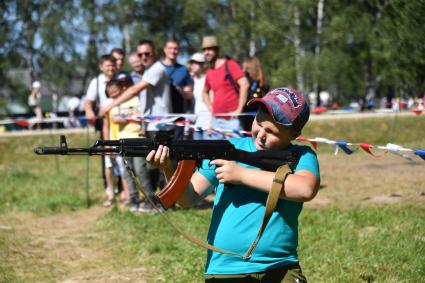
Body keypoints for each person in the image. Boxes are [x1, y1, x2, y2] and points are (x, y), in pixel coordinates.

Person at [147, 87, 320, 282]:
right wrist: (169, 168)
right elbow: (188, 198)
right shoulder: (229, 148)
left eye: (271, 131)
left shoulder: (302, 155)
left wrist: (241, 174)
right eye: (259, 124)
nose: (261, 134)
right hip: (226, 269)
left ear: (294, 134)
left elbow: (305, 189)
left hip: (280, 268)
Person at [100, 39, 171, 212]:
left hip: (160, 127)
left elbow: (133, 90)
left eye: (147, 53)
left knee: (161, 166)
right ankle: (157, 202)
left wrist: (109, 105)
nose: (144, 57)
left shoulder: (157, 69)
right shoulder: (149, 71)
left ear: (154, 51)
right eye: (141, 54)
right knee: (152, 166)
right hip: (150, 127)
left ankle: (166, 202)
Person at [104, 76, 146, 212]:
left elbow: (139, 115)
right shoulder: (111, 106)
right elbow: (111, 123)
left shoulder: (135, 99)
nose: (114, 95)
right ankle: (134, 199)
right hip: (120, 141)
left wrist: (124, 118)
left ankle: (148, 198)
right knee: (127, 173)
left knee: (140, 170)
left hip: (137, 138)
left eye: (115, 92)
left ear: (122, 89)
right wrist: (108, 145)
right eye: (111, 94)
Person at [84, 54, 117, 206]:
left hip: (121, 122)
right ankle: (110, 193)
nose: (110, 68)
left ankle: (125, 191)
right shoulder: (96, 82)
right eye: (107, 66)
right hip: (105, 123)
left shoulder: (121, 79)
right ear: (101, 67)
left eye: (112, 65)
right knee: (108, 159)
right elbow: (88, 101)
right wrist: (90, 112)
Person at [201, 36, 249, 139]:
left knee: (236, 153)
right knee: (214, 154)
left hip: (233, 121)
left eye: (209, 49)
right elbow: (204, 92)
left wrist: (239, 109)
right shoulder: (209, 72)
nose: (206, 52)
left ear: (216, 50)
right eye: (204, 50)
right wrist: (211, 109)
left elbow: (244, 84)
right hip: (216, 121)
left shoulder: (230, 65)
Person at [161, 38, 194, 140]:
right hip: (160, 117)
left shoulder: (183, 70)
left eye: (175, 48)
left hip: (178, 116)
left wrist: (182, 91)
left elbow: (190, 95)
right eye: (170, 48)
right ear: (164, 49)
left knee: (176, 150)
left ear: (179, 50)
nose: (173, 51)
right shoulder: (157, 68)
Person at [241, 57, 269, 131]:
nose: (243, 71)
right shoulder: (247, 81)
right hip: (245, 117)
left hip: (256, 118)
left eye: (246, 69)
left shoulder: (260, 84)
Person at [189, 52, 211, 140]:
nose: (193, 65)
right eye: (192, 62)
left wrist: (212, 123)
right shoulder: (191, 81)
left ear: (203, 65)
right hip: (196, 123)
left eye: (196, 62)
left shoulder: (208, 79)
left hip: (208, 123)